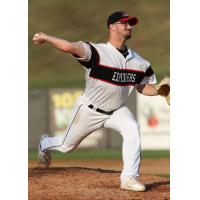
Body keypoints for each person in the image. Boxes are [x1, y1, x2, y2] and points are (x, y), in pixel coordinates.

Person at [33, 11, 159, 192]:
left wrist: (160, 92)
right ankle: (44, 143)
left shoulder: (140, 62)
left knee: (132, 128)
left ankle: (129, 178)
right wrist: (46, 37)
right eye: (125, 23)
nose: (129, 26)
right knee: (65, 146)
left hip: (117, 110)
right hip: (89, 110)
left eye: (131, 23)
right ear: (112, 27)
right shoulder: (97, 52)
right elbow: (69, 47)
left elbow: (142, 86)